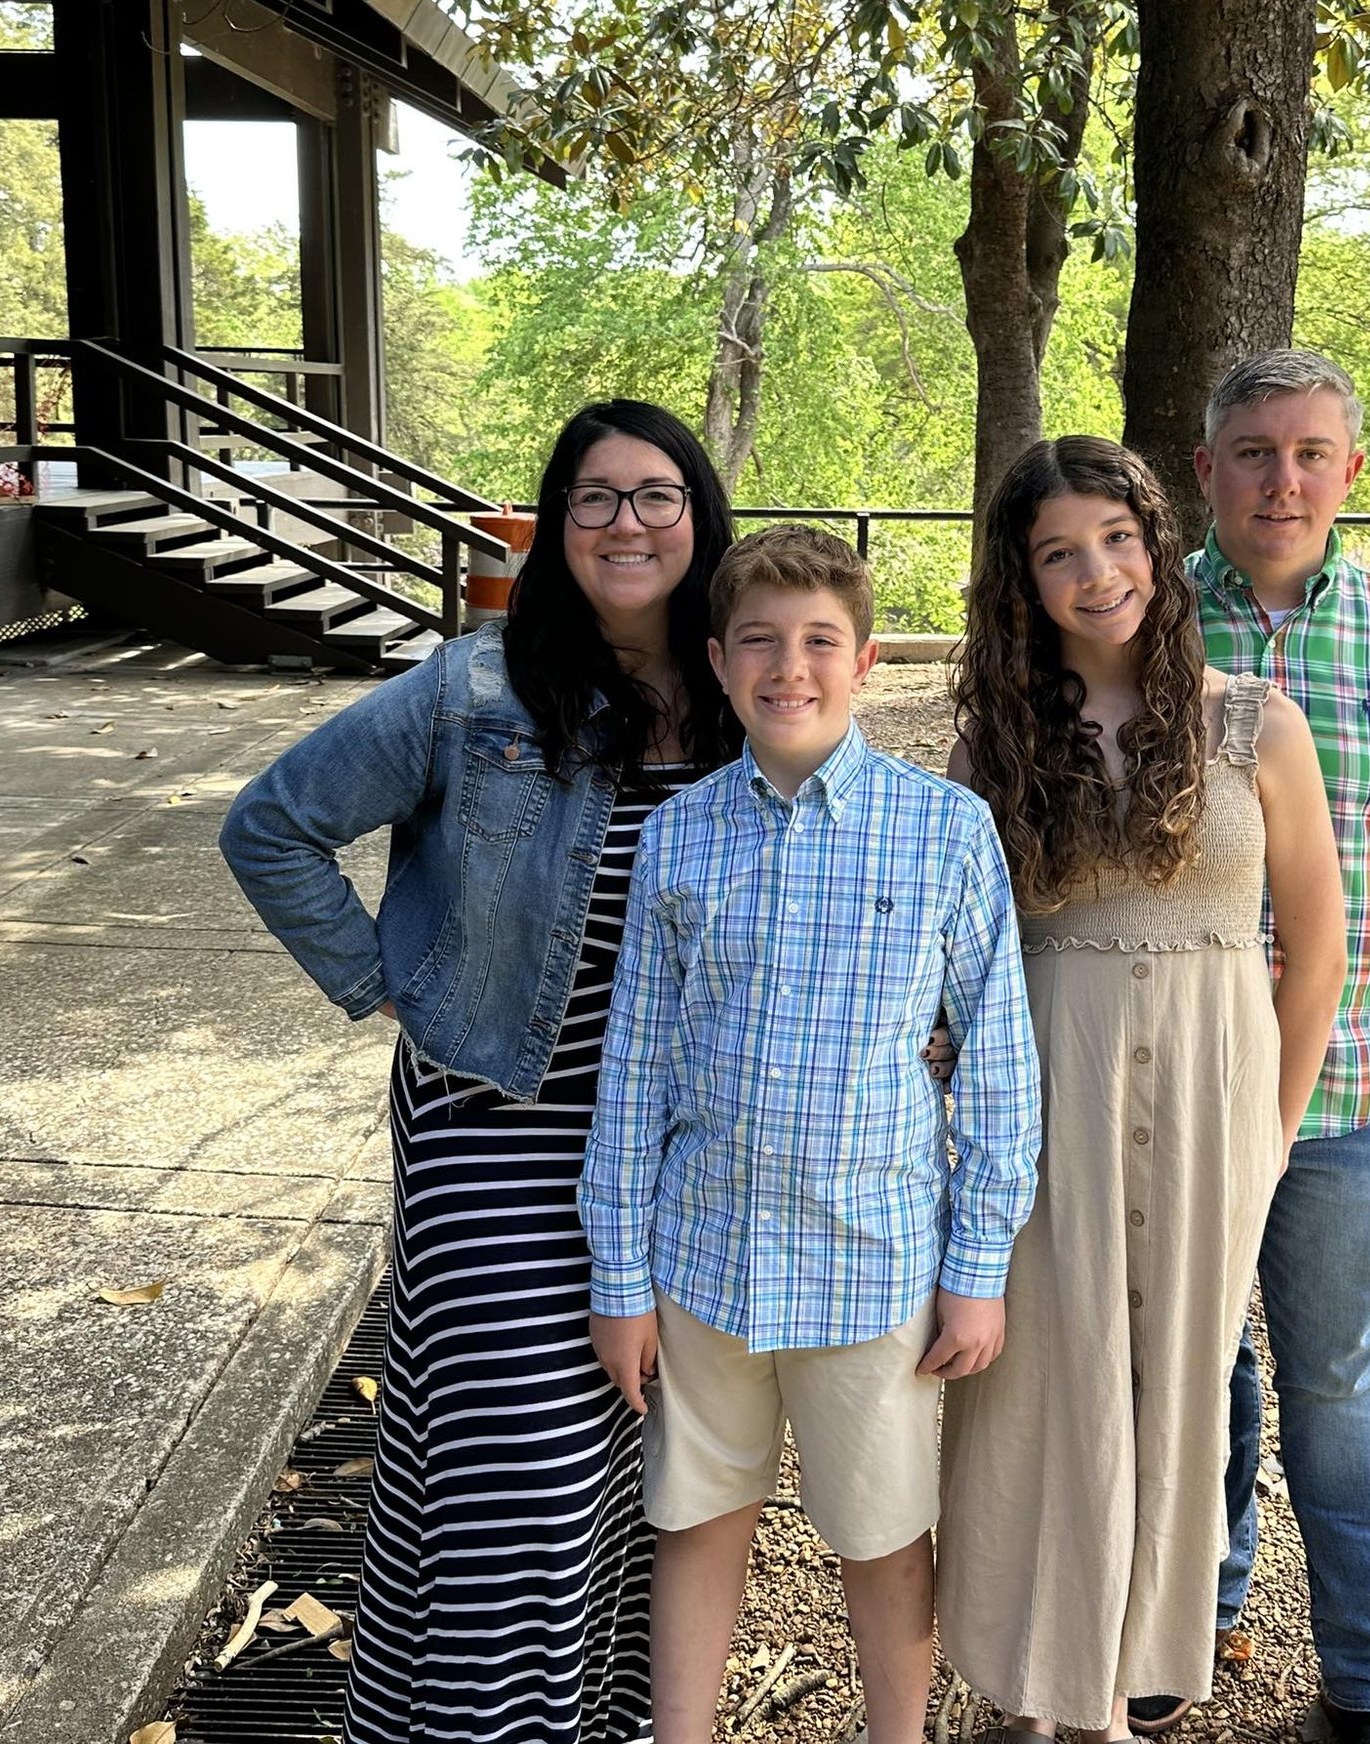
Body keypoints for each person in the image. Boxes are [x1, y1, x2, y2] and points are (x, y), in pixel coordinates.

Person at [219, 400, 743, 1744]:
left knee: (633, 1479)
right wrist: (392, 983)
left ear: (699, 516)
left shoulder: (744, 693)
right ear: (558, 524)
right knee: (530, 1480)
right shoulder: (473, 689)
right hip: (493, 1125)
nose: (626, 522)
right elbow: (271, 825)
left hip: (674, 1153)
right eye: (594, 497)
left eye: (657, 494)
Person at [578, 524, 1042, 1744]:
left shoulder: (943, 830)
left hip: (870, 1262)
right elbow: (634, 1066)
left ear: (865, 660)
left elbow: (998, 1063)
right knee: (696, 1518)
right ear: (718, 662)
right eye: (760, 642)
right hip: (703, 1258)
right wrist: (618, 1276)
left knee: (882, 1536)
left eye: (820, 641)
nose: (790, 667)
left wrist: (977, 1266)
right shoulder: (679, 834)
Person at [936, 436, 1346, 1742]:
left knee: (1172, 1391)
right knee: (1039, 1389)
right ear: (1023, 579)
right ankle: (1030, 1685)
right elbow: (952, 953)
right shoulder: (994, 747)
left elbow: (1319, 947)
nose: (1096, 571)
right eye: (1058, 551)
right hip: (1046, 1093)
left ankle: (1112, 1696)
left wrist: (1272, 1135)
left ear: (1158, 548)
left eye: (1116, 538)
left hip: (1216, 1101)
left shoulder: (1255, 724)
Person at [1133, 349, 1370, 1744]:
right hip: (1168, 1078)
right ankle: (1189, 1615)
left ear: (1350, 471)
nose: (1280, 480)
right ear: (1205, 468)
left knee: (1336, 1383)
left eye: (1308, 454)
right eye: (1252, 451)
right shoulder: (1138, 618)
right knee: (1189, 1369)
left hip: (1347, 1092)